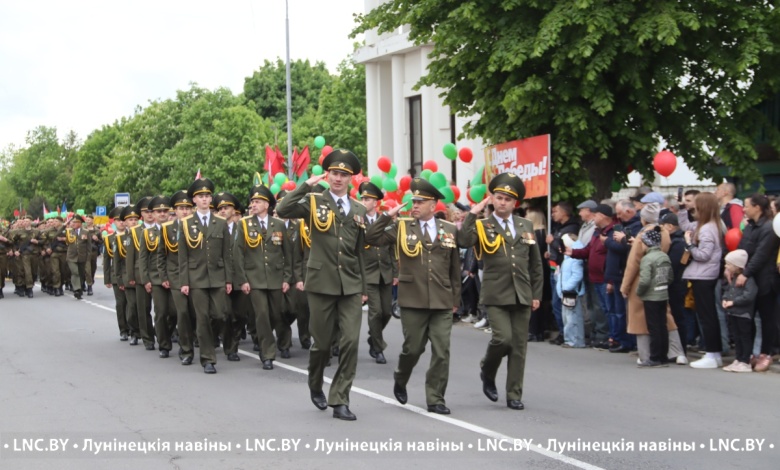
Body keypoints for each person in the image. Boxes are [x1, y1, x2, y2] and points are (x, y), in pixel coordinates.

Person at [276, 149, 367, 421]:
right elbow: (282, 209)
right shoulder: (314, 201)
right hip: (321, 282)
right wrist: (307, 184)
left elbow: (360, 251)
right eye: (334, 173)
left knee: (350, 342)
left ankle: (340, 399)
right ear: (328, 175)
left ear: (351, 178)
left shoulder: (360, 209)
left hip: (350, 284)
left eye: (344, 174)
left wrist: (364, 288)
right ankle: (315, 383)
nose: (338, 178)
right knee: (322, 343)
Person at [367, 177, 460, 414]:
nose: (415, 205)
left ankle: (435, 398)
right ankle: (401, 376)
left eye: (420, 201)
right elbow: (371, 237)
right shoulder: (402, 226)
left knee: (442, 350)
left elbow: (454, 268)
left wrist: (455, 300)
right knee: (413, 349)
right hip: (413, 299)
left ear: (433, 205)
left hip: (441, 299)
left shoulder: (448, 230)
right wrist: (387, 216)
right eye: (414, 201)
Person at [457, 172, 542, 410]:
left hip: (522, 292)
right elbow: (463, 241)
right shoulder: (484, 225)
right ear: (492, 199)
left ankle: (514, 394)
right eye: (499, 197)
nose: (503, 202)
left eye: (507, 198)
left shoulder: (525, 225)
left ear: (515, 203)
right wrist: (472, 215)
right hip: (495, 292)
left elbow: (535, 263)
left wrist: (536, 294)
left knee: (519, 346)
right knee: (502, 339)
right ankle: (488, 368)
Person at [233, 185, 292, 370]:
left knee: (277, 314)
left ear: (267, 205)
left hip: (275, 277)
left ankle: (272, 340)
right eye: (252, 201)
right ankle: (267, 353)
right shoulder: (244, 224)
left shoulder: (279, 224)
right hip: (255, 278)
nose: (254, 204)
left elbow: (288, 254)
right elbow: (238, 254)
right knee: (262, 315)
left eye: (258, 201)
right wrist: (242, 279)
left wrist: (287, 278)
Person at [178, 178, 233, 374]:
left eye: (208, 196)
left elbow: (227, 253)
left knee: (220, 314)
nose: (205, 199)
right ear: (194, 200)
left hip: (217, 275)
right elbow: (182, 256)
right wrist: (184, 281)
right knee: (201, 318)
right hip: (196, 277)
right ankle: (208, 358)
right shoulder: (185, 223)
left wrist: (228, 279)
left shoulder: (220, 222)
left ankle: (211, 339)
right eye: (201, 196)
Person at [736, 193, 779, 372]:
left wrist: (745, 273)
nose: (744, 209)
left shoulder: (768, 228)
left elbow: (761, 255)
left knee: (768, 318)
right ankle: (748, 354)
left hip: (765, 279)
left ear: (757, 208)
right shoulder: (750, 226)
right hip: (750, 278)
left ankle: (766, 353)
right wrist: (733, 266)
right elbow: (743, 248)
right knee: (748, 317)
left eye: (746, 205)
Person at [359, 181, 398, 365]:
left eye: (367, 199)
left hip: (386, 271)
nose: (363, 201)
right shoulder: (358, 221)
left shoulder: (387, 221)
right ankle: (378, 347)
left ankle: (373, 336)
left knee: (387, 312)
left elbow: (392, 248)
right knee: (375, 313)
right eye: (362, 198)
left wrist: (395, 272)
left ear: (375, 202)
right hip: (368, 272)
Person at [684, 192, 725, 369]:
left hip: (704, 275)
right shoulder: (710, 225)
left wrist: (690, 245)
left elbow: (703, 255)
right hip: (706, 274)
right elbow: (685, 224)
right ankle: (714, 353)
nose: (693, 208)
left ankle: (711, 353)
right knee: (708, 316)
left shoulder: (708, 228)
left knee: (707, 316)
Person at [160, 190, 197, 365]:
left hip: (195, 275)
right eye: (181, 208)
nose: (185, 211)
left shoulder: (197, 226)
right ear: (175, 210)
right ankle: (186, 349)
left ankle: (195, 340)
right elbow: (161, 255)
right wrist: (164, 276)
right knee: (182, 312)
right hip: (175, 275)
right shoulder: (167, 228)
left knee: (195, 313)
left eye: (188, 208)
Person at [140, 196, 176, 358]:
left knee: (175, 312)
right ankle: (164, 344)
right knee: (161, 312)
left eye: (165, 211)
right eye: (158, 211)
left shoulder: (176, 229)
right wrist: (146, 279)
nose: (162, 214)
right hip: (155, 278)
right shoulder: (147, 233)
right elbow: (143, 258)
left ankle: (167, 334)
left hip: (175, 276)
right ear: (153, 214)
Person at [636, 226, 673, 367]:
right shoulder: (664, 256)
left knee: (653, 327)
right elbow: (670, 276)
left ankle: (655, 357)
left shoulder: (647, 259)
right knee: (662, 325)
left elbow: (644, 280)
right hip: (663, 293)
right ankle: (663, 356)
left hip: (651, 296)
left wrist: (639, 292)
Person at [545, 201, 579, 345]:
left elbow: (565, 248)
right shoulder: (559, 227)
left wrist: (552, 242)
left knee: (559, 303)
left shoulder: (570, 228)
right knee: (556, 303)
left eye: (555, 211)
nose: (553, 214)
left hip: (564, 270)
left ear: (564, 213)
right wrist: (550, 254)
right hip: (556, 268)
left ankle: (565, 333)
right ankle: (562, 331)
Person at [721, 249, 758, 372]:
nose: (726, 266)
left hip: (744, 313)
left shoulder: (748, 279)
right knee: (737, 337)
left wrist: (734, 302)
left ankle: (745, 360)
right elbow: (728, 290)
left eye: (729, 264)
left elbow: (749, 295)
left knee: (744, 337)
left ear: (737, 266)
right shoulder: (734, 277)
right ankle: (738, 358)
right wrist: (725, 299)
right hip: (733, 312)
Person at [660, 213, 689, 358]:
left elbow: (672, 264)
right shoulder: (673, 241)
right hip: (673, 284)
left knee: (677, 317)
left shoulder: (677, 243)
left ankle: (680, 349)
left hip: (676, 285)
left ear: (670, 227)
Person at [103, 207, 129, 341]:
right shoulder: (109, 239)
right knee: (121, 303)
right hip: (116, 275)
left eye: (123, 220)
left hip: (131, 273)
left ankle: (134, 328)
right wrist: (107, 278)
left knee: (132, 303)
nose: (121, 223)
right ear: (114, 222)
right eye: (118, 220)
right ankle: (123, 329)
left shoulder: (133, 235)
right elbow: (107, 260)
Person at [117, 205, 141, 345]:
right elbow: (118, 262)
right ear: (125, 222)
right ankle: (133, 331)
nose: (133, 222)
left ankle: (144, 331)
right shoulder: (120, 239)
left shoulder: (143, 233)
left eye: (135, 219)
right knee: (131, 306)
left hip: (142, 276)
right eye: (130, 219)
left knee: (142, 307)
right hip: (128, 278)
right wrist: (120, 280)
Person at [558, 234, 586, 348]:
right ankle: (569, 339)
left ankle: (576, 340)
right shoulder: (567, 258)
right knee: (567, 317)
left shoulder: (574, 258)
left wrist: (566, 288)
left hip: (572, 292)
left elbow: (577, 275)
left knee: (573, 318)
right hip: (566, 292)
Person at [65, 214, 92, 300]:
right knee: (75, 272)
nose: (74, 224)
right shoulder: (69, 231)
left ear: (80, 223)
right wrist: (64, 224)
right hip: (71, 257)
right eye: (73, 222)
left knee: (80, 274)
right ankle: (76, 289)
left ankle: (79, 290)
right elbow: (57, 234)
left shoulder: (86, 232)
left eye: (76, 222)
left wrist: (88, 258)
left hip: (82, 257)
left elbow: (89, 247)